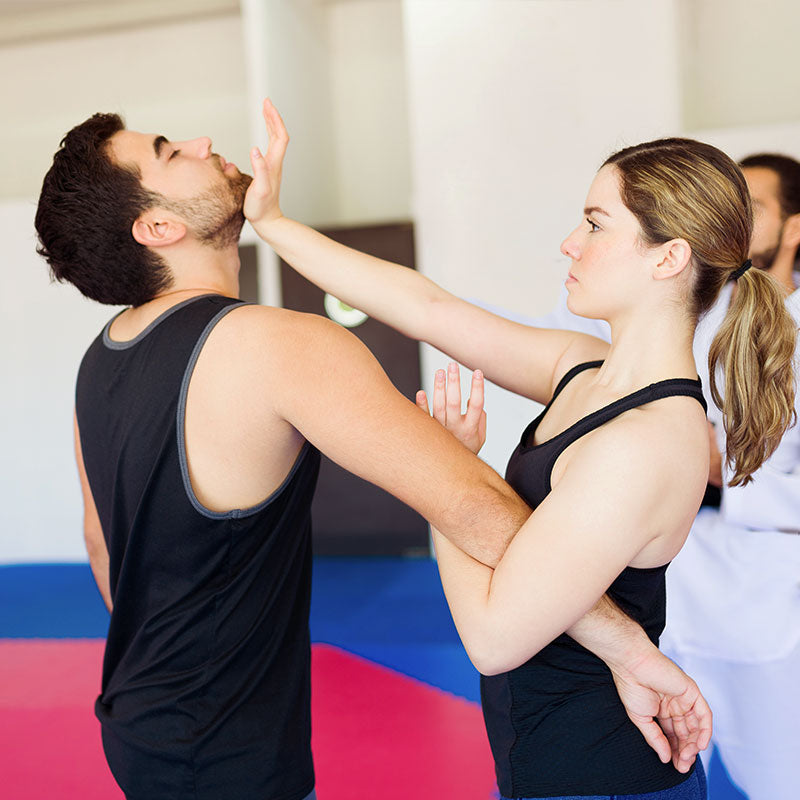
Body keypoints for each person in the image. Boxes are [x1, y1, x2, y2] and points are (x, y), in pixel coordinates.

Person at [32, 106, 712, 800]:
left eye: (595, 224)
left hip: (135, 722)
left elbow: (100, 546)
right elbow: (466, 501)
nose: (200, 142)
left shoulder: (104, 357)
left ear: (671, 257)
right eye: (169, 151)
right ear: (158, 228)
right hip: (229, 754)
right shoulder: (277, 344)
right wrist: (631, 650)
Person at [246, 101, 798, 800]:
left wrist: (446, 468)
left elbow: (493, 635)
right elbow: (429, 310)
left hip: (600, 776)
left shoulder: (649, 441)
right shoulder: (583, 365)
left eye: (596, 224)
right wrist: (272, 225)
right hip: (545, 759)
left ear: (669, 257)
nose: (570, 242)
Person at [659, 153, 800, 800]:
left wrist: (720, 469)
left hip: (766, 605)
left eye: (755, 207)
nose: (735, 219)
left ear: (794, 228)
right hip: (670, 598)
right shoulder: (687, 319)